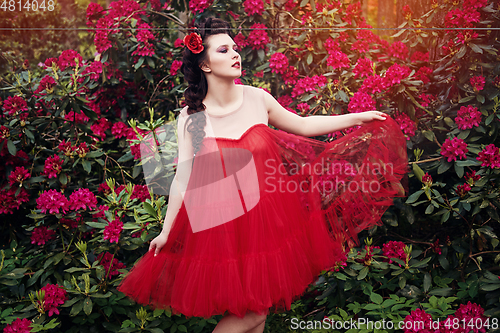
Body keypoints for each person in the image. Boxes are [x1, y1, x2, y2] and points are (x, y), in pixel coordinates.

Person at [117, 16, 408, 333]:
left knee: (258, 315)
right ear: (205, 65)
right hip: (222, 229)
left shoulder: (257, 99)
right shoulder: (194, 117)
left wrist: (358, 117)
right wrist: (166, 230)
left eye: (235, 48)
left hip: (267, 222)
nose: (235, 54)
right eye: (224, 50)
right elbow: (183, 179)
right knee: (253, 313)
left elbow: (304, 125)